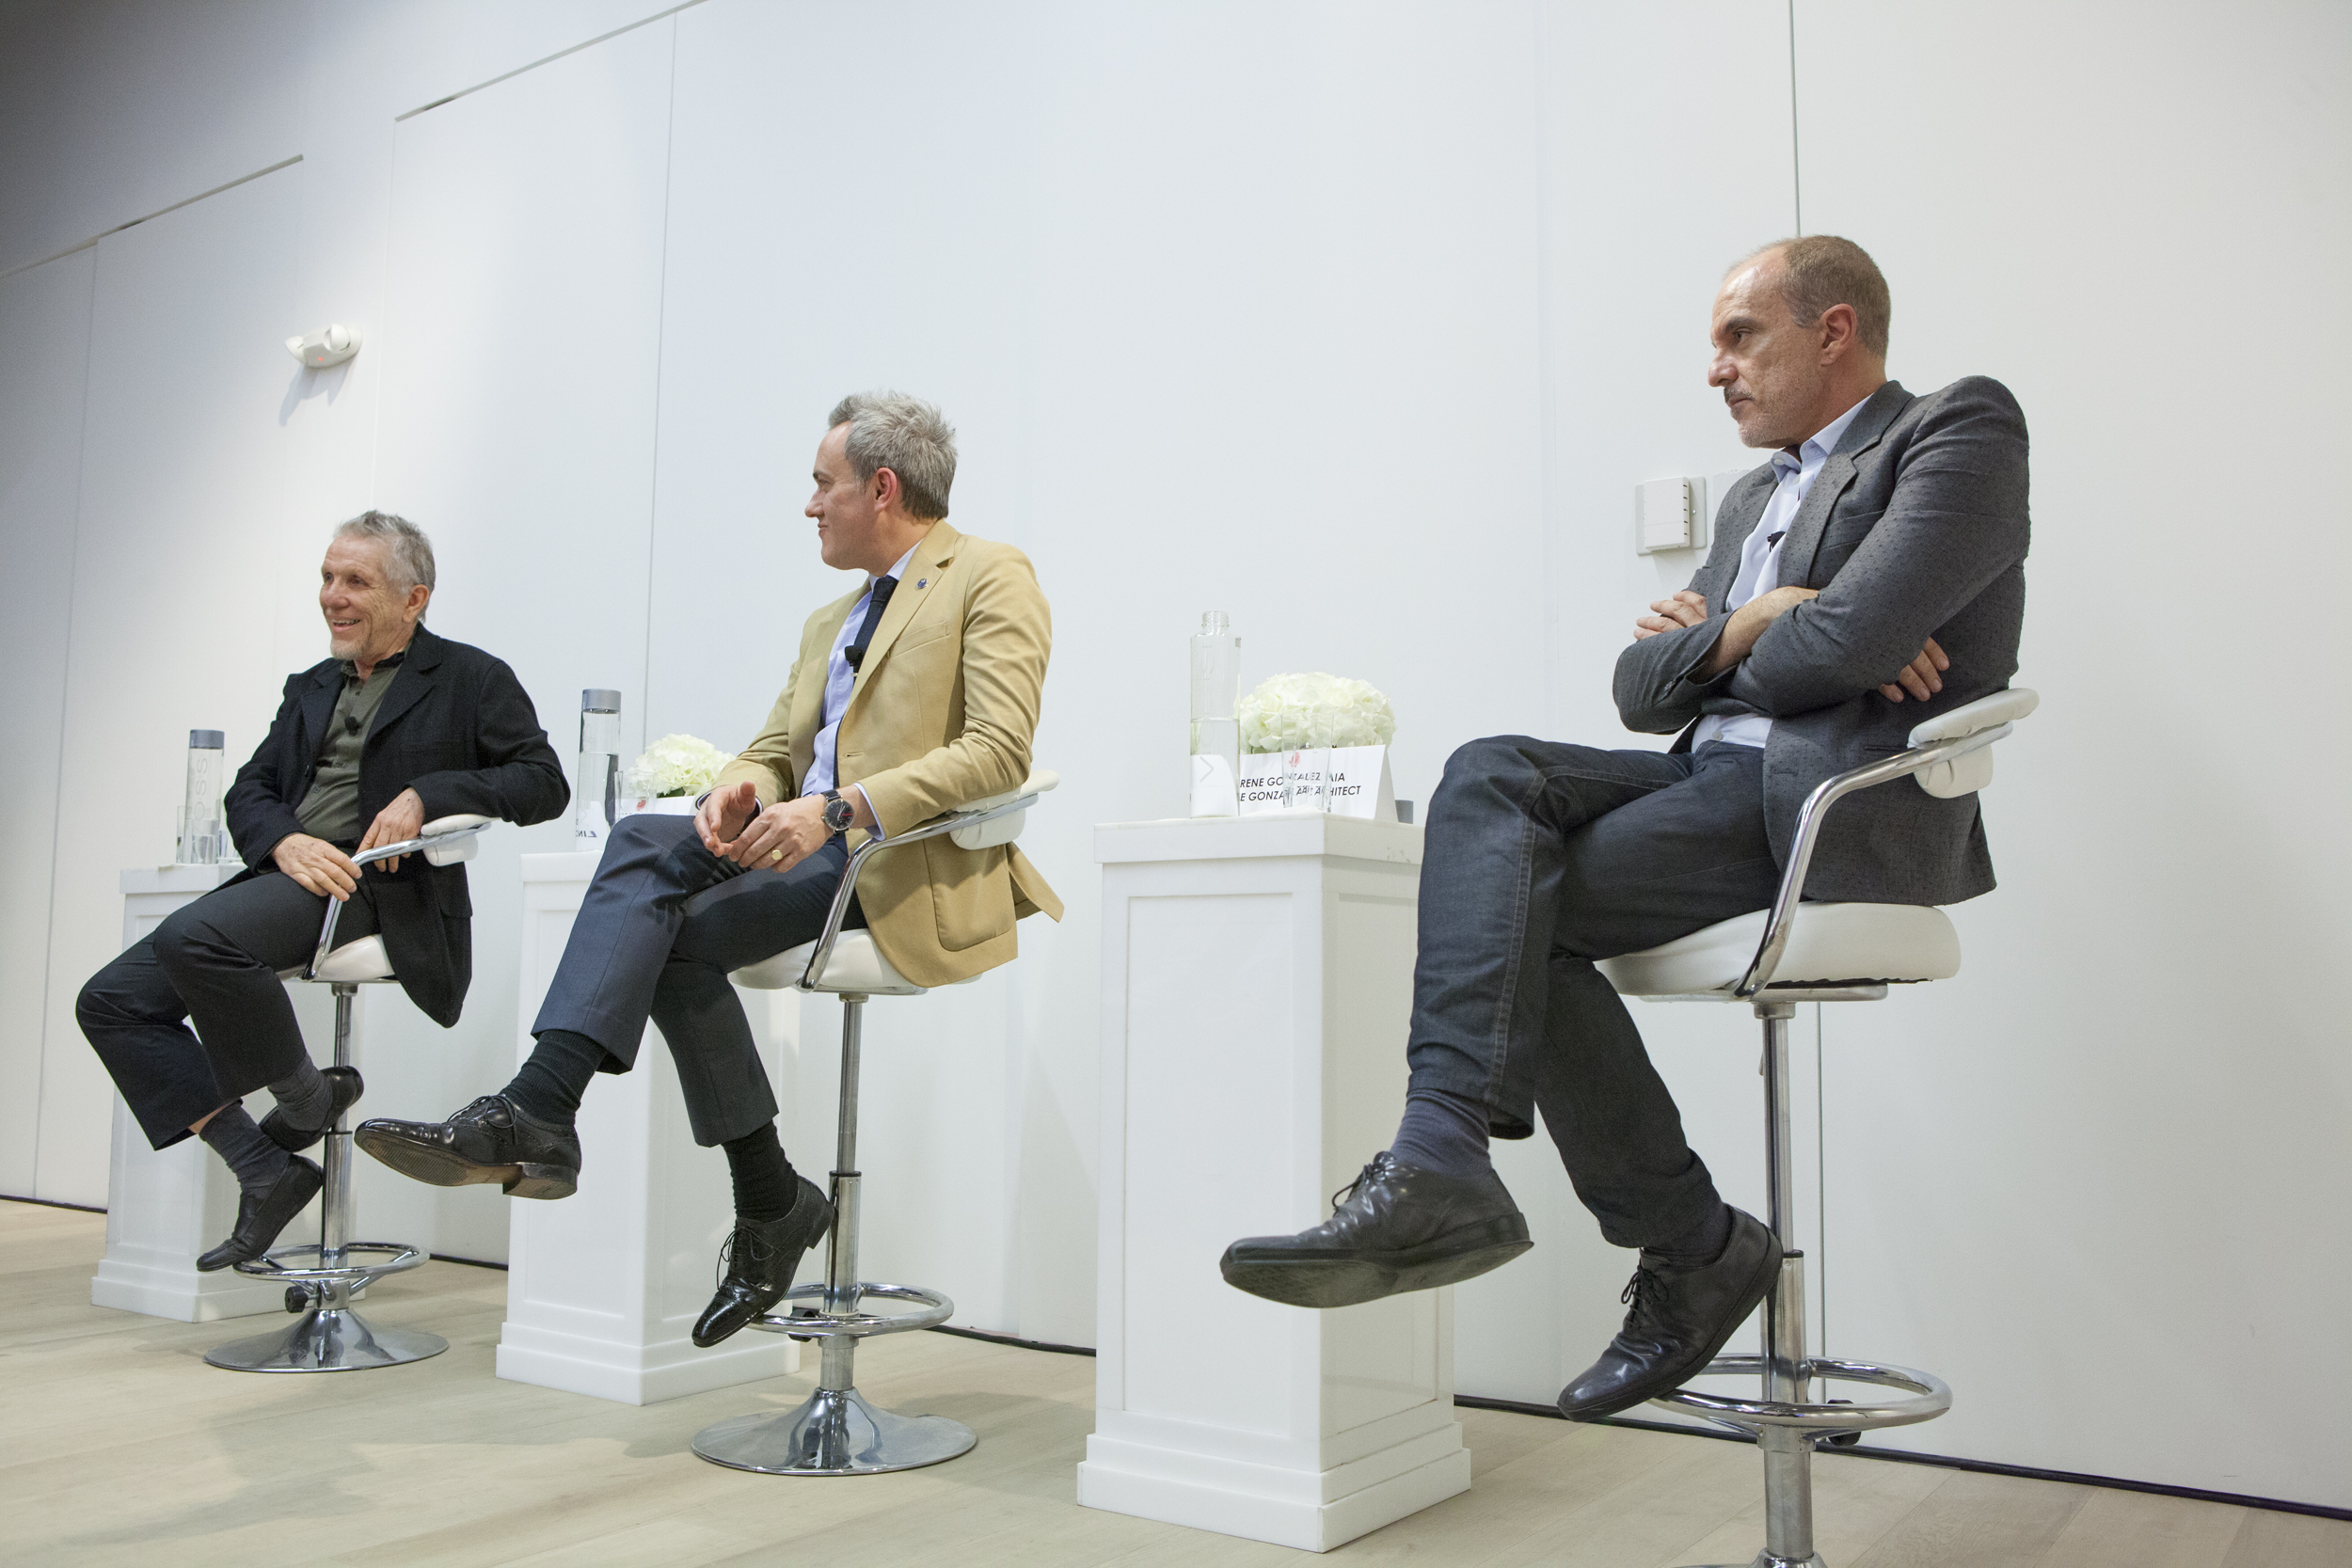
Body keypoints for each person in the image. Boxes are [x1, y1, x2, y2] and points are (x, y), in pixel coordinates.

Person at [1220, 237, 2030, 1420]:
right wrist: (1762, 619)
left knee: (1513, 912)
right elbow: (1638, 690)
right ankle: (1448, 1153)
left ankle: (1676, 1239)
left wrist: (1760, 639)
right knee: (1486, 773)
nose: (1715, 368)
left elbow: (1843, 648)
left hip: (1824, 801)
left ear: (1834, 331)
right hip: (1705, 776)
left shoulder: (1955, 429)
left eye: (1739, 336)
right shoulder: (1753, 497)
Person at [357, 391, 1060, 1348]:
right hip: (799, 839)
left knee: (663, 922)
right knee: (647, 847)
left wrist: (837, 808)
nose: (809, 503)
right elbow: (774, 747)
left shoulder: (988, 573)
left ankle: (580, 1122)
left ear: (882, 488)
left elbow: (997, 751)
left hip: (891, 857)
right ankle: (666, 1156)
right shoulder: (830, 619)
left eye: (823, 483)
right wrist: (740, 790)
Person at [78, 512, 568, 1271]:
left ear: (413, 599)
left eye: (356, 581)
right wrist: (283, 839)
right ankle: (264, 1165)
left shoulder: (471, 677)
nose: (332, 596)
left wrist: (429, 793)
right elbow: (250, 788)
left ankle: (307, 1100)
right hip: (294, 874)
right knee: (111, 1000)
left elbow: (542, 782)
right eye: (328, 577)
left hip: (374, 887)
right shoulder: (311, 685)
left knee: (189, 936)